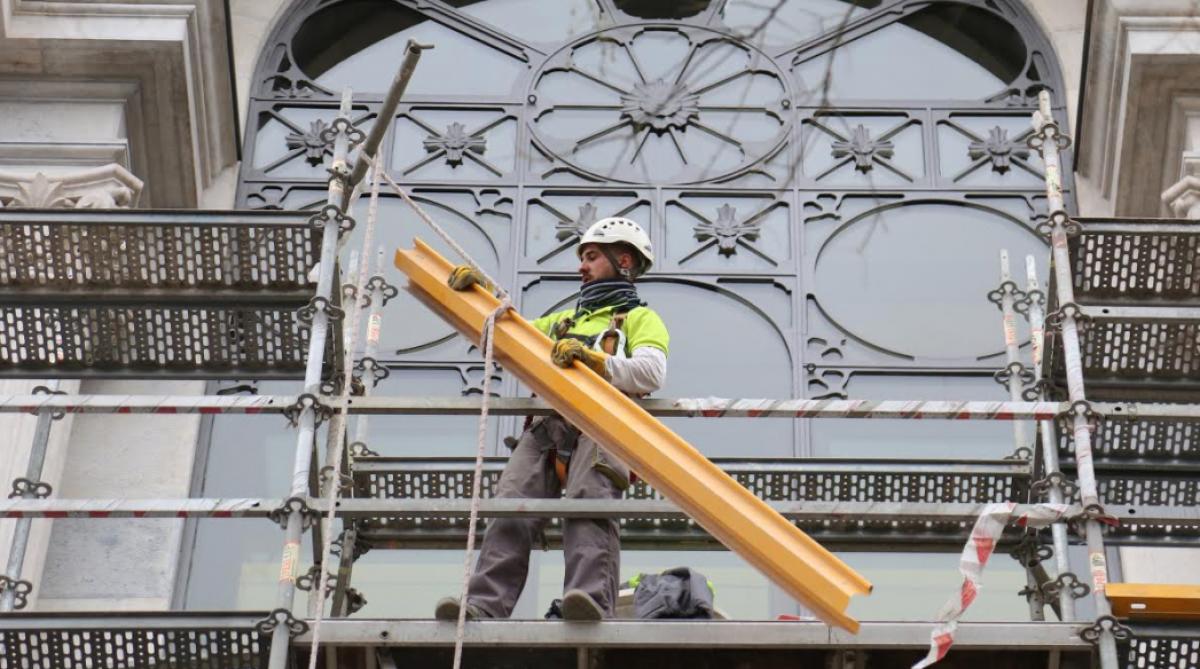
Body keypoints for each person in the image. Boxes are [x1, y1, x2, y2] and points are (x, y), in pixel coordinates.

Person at [434, 217, 669, 621]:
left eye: (592, 257)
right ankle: (483, 607)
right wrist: (479, 299)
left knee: (588, 505)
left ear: (623, 260)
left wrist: (595, 360)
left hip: (602, 426)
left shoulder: (637, 320)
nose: (582, 266)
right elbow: (508, 338)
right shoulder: (563, 322)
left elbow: (651, 372)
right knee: (510, 505)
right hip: (548, 427)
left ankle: (589, 603)